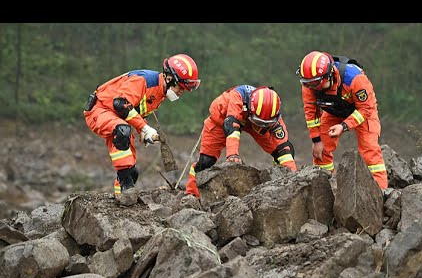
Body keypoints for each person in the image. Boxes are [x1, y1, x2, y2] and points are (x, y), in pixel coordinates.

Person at [84, 53, 201, 205]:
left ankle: (122, 199)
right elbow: (120, 103)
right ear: (169, 78)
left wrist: (142, 131)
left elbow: (136, 110)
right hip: (100, 110)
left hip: (116, 116)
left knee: (132, 173)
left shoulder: (160, 94)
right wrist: (144, 127)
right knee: (122, 131)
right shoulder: (144, 81)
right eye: (181, 87)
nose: (181, 92)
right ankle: (127, 189)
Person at [184, 85, 297, 198]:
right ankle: (192, 193)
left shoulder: (272, 116)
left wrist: (294, 177)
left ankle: (281, 179)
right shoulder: (238, 96)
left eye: (265, 123)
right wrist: (232, 154)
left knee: (282, 151)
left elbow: (284, 148)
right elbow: (231, 126)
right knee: (206, 161)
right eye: (260, 122)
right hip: (221, 119)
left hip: (253, 121)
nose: (261, 125)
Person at [296, 51, 388, 190]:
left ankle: (380, 192)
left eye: (316, 83)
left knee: (370, 151)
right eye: (307, 83)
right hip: (334, 111)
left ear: (329, 74)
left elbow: (366, 109)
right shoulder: (309, 84)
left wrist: (344, 126)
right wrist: (316, 140)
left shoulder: (355, 79)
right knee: (321, 151)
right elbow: (311, 111)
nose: (313, 87)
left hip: (361, 110)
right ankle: (324, 189)